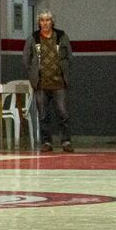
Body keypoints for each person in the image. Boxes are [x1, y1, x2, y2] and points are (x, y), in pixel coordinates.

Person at [22, 10, 73, 153]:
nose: (45, 23)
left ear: (52, 22)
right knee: (43, 114)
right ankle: (46, 142)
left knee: (63, 113)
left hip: (59, 82)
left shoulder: (62, 37)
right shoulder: (33, 38)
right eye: (42, 20)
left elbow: (69, 56)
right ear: (39, 22)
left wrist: (64, 72)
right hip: (40, 83)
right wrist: (33, 74)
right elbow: (26, 59)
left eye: (48, 20)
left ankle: (66, 141)